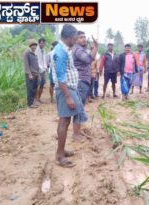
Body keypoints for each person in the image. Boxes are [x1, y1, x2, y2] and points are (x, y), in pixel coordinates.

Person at [52, 24, 87, 168]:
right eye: (75, 37)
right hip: (65, 89)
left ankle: (62, 150)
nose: (76, 40)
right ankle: (60, 156)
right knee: (65, 121)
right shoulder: (60, 51)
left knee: (64, 121)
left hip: (69, 87)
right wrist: (68, 97)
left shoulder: (65, 49)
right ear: (70, 37)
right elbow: (60, 77)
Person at [72, 31, 98, 140]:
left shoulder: (81, 49)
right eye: (81, 37)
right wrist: (95, 47)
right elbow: (88, 60)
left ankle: (77, 131)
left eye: (84, 37)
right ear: (76, 40)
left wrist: (95, 47)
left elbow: (89, 58)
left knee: (80, 106)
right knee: (79, 107)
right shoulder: (78, 49)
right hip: (80, 81)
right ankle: (75, 134)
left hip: (83, 81)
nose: (84, 39)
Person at [23, 39, 40, 108]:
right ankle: (30, 104)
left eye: (35, 46)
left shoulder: (34, 53)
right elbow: (26, 64)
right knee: (30, 89)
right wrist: (29, 74)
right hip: (30, 74)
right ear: (30, 46)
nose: (35, 47)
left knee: (34, 89)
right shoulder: (27, 53)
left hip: (36, 74)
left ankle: (33, 102)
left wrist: (38, 74)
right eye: (33, 45)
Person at [36, 38, 48, 104]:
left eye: (43, 43)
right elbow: (37, 61)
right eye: (41, 43)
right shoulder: (36, 50)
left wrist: (45, 67)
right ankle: (36, 99)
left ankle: (39, 98)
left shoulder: (44, 50)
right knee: (37, 84)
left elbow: (44, 60)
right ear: (39, 43)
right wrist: (41, 68)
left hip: (43, 70)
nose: (42, 44)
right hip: (38, 70)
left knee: (42, 84)